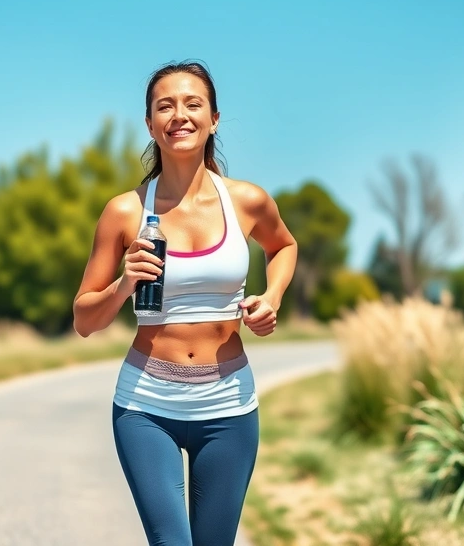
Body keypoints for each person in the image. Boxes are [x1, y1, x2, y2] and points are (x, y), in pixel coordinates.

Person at [72, 60, 298, 546]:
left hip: (229, 406)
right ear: (150, 124)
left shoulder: (247, 201)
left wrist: (272, 297)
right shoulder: (125, 211)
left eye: (193, 104)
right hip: (145, 405)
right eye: (165, 106)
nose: (179, 115)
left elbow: (283, 245)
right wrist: (123, 284)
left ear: (213, 119)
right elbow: (84, 319)